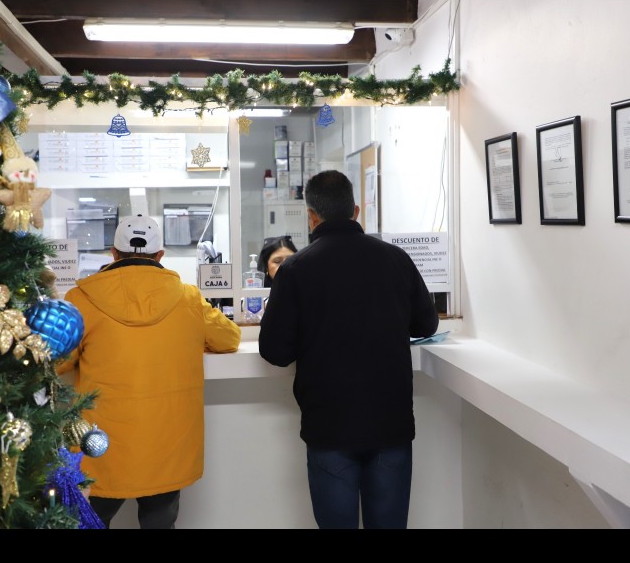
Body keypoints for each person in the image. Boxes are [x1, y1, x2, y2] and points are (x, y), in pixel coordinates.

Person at [258, 170, 439, 529]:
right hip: (390, 423)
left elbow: (275, 351)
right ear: (356, 210)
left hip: (329, 427)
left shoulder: (295, 270)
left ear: (311, 216)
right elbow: (427, 325)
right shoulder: (395, 259)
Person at [58, 214, 241, 529]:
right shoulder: (188, 297)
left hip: (101, 446)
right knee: (160, 522)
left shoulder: (81, 298)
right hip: (166, 445)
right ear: (160, 256)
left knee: (90, 520)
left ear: (113, 254)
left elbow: (58, 361)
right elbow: (229, 338)